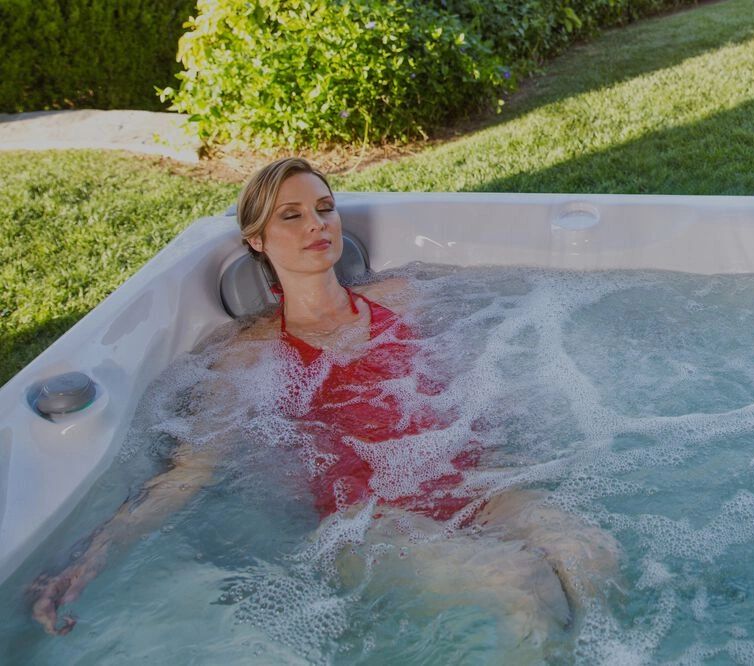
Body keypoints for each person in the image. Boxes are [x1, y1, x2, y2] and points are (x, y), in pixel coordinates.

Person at [29, 158, 618, 654]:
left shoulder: (404, 297)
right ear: (256, 241)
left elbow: (467, 385)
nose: (317, 225)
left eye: (325, 208)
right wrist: (90, 557)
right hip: (369, 523)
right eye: (292, 215)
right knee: (519, 582)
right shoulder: (250, 356)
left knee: (594, 556)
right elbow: (190, 474)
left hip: (468, 485)